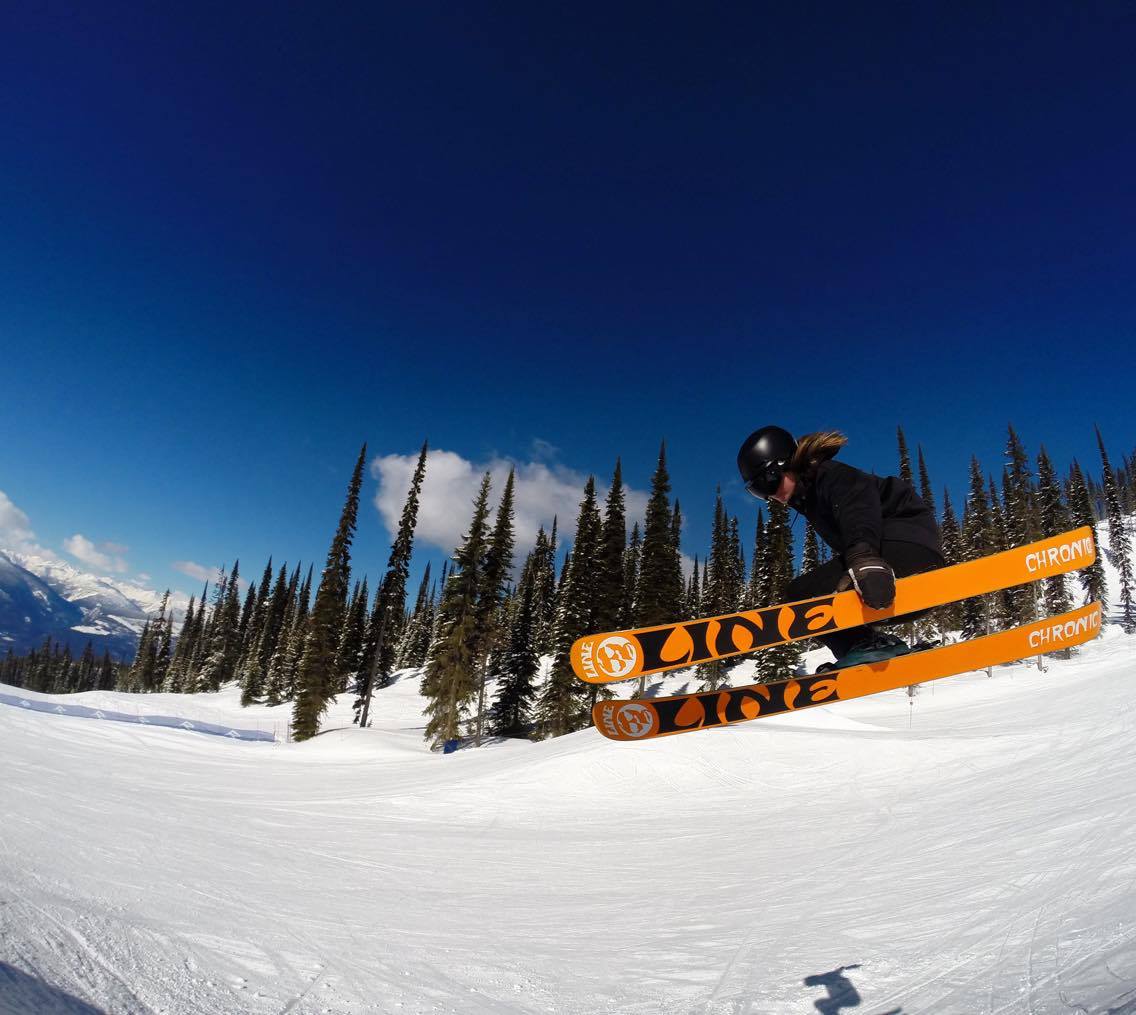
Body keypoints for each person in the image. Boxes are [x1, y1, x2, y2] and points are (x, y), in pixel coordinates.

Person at [736, 425, 944, 668]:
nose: (769, 496)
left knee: (801, 597)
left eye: (767, 484)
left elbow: (858, 507)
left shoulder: (829, 475)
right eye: (757, 492)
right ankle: (872, 644)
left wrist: (865, 558)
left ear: (787, 464)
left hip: (907, 550)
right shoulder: (812, 493)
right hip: (907, 562)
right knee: (806, 595)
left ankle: (863, 644)